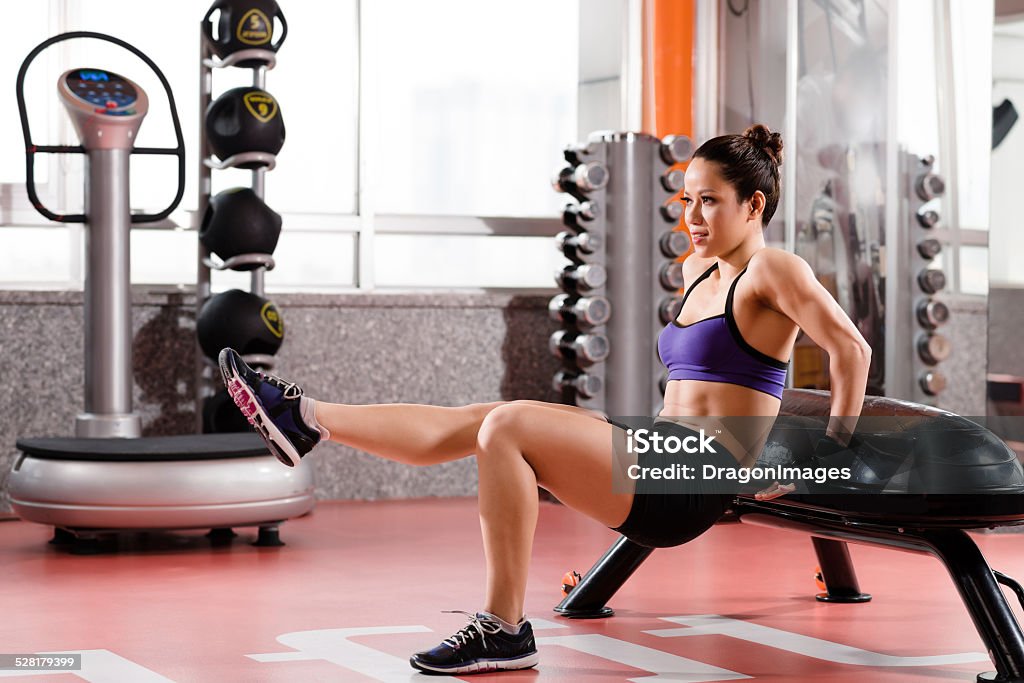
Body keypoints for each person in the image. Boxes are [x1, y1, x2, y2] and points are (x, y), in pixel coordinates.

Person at [219, 123, 872, 676]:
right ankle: (306, 418)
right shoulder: (701, 272)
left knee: (507, 425)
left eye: (710, 202)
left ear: (754, 206)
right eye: (687, 200)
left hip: (692, 482)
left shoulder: (773, 269)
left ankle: (503, 627)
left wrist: (833, 453)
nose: (692, 217)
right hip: (659, 453)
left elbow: (851, 350)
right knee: (483, 419)